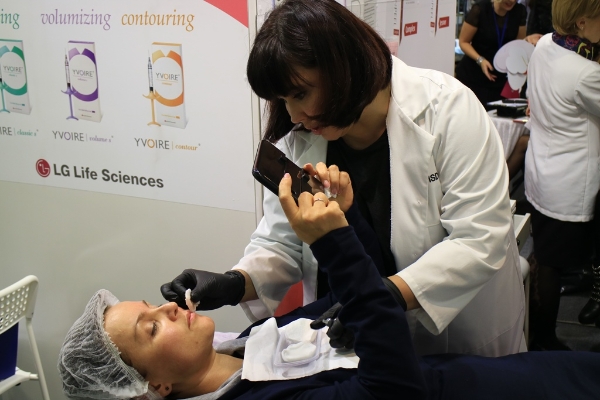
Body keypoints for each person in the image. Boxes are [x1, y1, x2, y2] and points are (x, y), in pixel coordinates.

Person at [161, 0, 526, 357]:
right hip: (356, 346)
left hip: (459, 341)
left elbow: (479, 238)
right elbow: (283, 242)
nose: (294, 114)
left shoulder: (447, 110)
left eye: (301, 93)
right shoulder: (301, 140)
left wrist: (384, 296)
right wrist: (235, 282)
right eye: (284, 99)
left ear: (344, 67)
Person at [58, 175, 600, 400]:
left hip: (489, 374)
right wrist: (334, 240)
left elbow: (348, 302)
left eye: (154, 306)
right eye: (152, 329)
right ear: (153, 387)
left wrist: (347, 219)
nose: (170, 311)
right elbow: (392, 388)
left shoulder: (248, 346)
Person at [524, 0, 600, 350]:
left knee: (545, 257)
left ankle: (540, 339)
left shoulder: (545, 44)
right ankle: (545, 342)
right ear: (582, 22)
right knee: (552, 264)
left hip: (542, 169)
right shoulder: (585, 74)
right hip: (570, 182)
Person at [456, 0, 529, 107]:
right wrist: (480, 60)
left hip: (500, 78)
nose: (512, 1)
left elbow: (518, 44)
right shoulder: (480, 10)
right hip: (475, 76)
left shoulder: (519, 11)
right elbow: (464, 42)